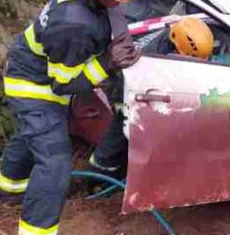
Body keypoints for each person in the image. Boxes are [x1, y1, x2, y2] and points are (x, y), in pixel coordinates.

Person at [0, 0, 142, 235]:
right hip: (34, 86)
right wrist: (108, 63)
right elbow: (63, 85)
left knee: (29, 137)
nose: (120, 6)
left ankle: (9, 190)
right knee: (56, 163)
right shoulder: (73, 25)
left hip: (30, 65)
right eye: (115, 0)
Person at [87, 16, 216, 180]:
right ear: (178, 49)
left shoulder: (174, 35)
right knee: (121, 128)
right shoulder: (151, 59)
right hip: (121, 86)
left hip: (126, 76)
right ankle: (99, 175)